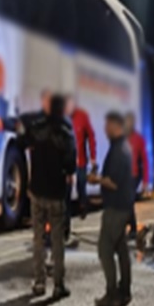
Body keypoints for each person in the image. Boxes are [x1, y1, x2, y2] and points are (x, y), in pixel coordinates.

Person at [18, 93, 76, 299]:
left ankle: (39, 282)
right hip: (56, 193)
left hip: (37, 190)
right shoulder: (66, 130)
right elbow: (71, 165)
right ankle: (59, 285)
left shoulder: (37, 126)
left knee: (38, 239)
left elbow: (23, 140)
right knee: (57, 241)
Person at [89, 112, 136, 306]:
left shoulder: (119, 150)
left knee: (104, 249)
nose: (105, 129)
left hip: (116, 208)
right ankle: (124, 290)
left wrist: (96, 179)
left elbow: (114, 183)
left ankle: (113, 293)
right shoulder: (123, 147)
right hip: (124, 206)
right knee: (121, 250)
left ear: (116, 126)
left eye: (107, 125)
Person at [67, 97, 97, 246]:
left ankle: (83, 204)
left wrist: (93, 156)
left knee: (81, 185)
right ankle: (65, 227)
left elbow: (90, 136)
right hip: (67, 162)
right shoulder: (64, 118)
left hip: (81, 161)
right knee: (66, 192)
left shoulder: (82, 117)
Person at [124, 110, 149, 195]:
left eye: (130, 122)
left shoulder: (139, 140)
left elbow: (145, 161)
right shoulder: (120, 139)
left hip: (133, 175)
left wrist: (145, 181)